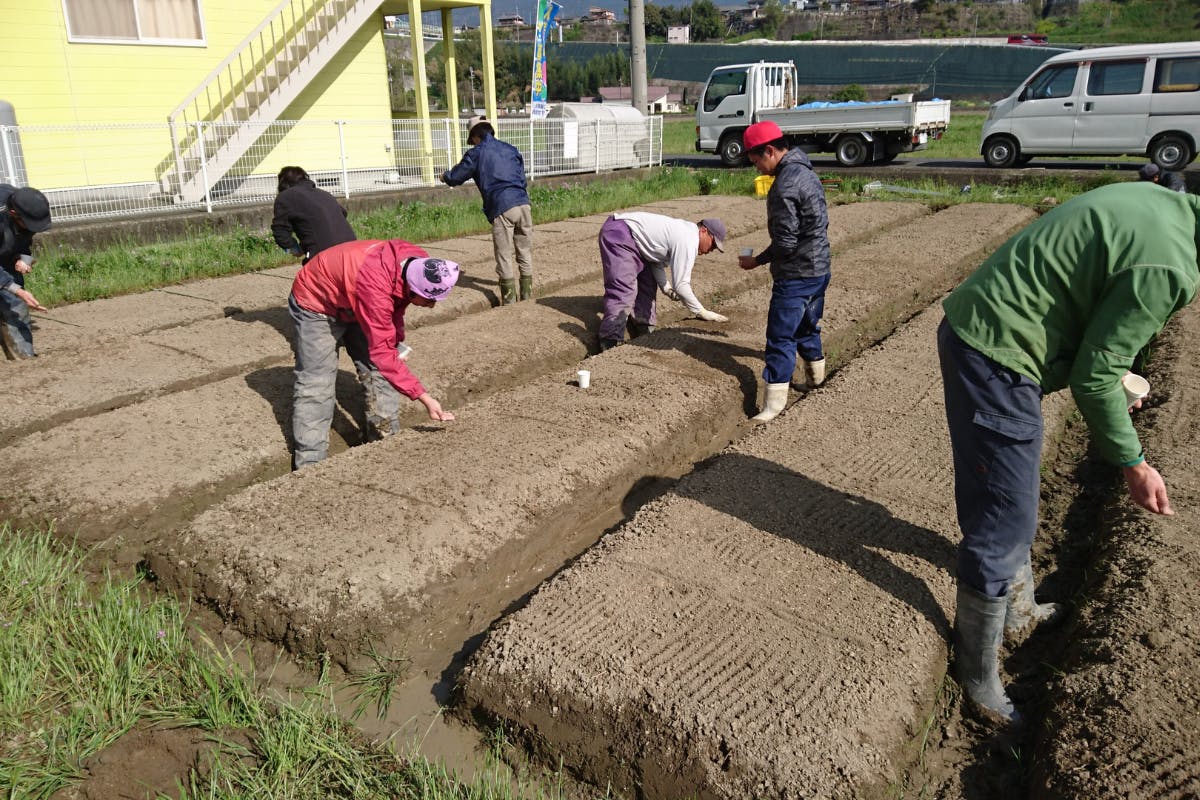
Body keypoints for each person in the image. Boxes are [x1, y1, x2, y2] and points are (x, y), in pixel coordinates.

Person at [938, 181, 1198, 726]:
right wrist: (1134, 464)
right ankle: (978, 676)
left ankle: (1019, 610)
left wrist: (1113, 376)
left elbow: (1099, 331)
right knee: (1006, 515)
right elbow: (1094, 376)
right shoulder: (1168, 267)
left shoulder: (1167, 209)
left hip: (992, 329)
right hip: (997, 351)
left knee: (1012, 490)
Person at [289, 239, 459, 469]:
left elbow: (396, 305)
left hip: (357, 292)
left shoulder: (419, 263)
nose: (431, 306)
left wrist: (396, 343)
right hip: (318, 301)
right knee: (317, 382)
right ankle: (310, 465)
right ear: (412, 289)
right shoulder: (375, 290)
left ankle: (384, 445)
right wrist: (424, 398)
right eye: (429, 300)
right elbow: (382, 351)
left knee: (380, 372)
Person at [737, 121, 832, 423]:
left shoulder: (784, 186)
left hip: (796, 274)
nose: (756, 167)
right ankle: (816, 379)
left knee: (780, 336)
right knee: (807, 325)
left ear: (770, 150)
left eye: (755, 160)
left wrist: (757, 260)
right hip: (819, 268)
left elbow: (786, 243)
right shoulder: (807, 172)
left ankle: (774, 404)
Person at [596, 212, 728, 351]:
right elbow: (681, 285)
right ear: (704, 230)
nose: (711, 249)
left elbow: (656, 262)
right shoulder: (689, 239)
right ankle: (609, 341)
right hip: (619, 233)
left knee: (648, 284)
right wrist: (701, 311)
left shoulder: (686, 234)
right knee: (624, 290)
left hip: (636, 241)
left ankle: (644, 328)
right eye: (713, 244)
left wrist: (666, 288)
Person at [440, 117, 533, 305]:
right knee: (524, 251)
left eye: (472, 140)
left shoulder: (476, 153)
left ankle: (510, 303)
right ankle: (527, 298)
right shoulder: (510, 149)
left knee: (504, 255)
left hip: (502, 206)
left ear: (476, 136)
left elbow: (457, 176)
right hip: (524, 204)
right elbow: (522, 178)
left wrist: (445, 176)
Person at [0, 185, 52, 359]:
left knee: (14, 301)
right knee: (13, 297)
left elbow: (23, 241)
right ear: (13, 214)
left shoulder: (23, 204)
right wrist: (17, 290)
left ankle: (22, 355)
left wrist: (23, 258)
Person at [271, 166, 356, 263]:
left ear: (282, 183)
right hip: (353, 252)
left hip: (325, 258)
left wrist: (294, 250)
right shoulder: (324, 194)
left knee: (309, 271)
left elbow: (280, 232)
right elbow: (343, 214)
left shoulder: (285, 197)